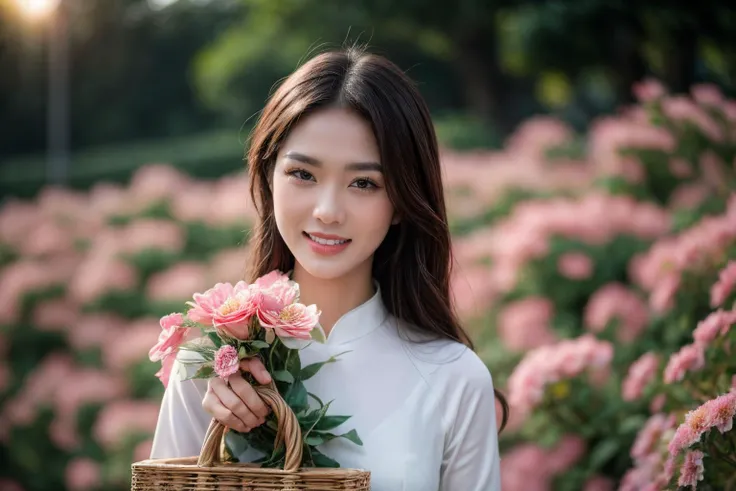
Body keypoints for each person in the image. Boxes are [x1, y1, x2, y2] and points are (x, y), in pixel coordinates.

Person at [150, 46, 508, 491]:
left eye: (364, 183)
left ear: (401, 202)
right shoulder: (211, 371)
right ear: (268, 176)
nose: (328, 211)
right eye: (303, 174)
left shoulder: (455, 379)